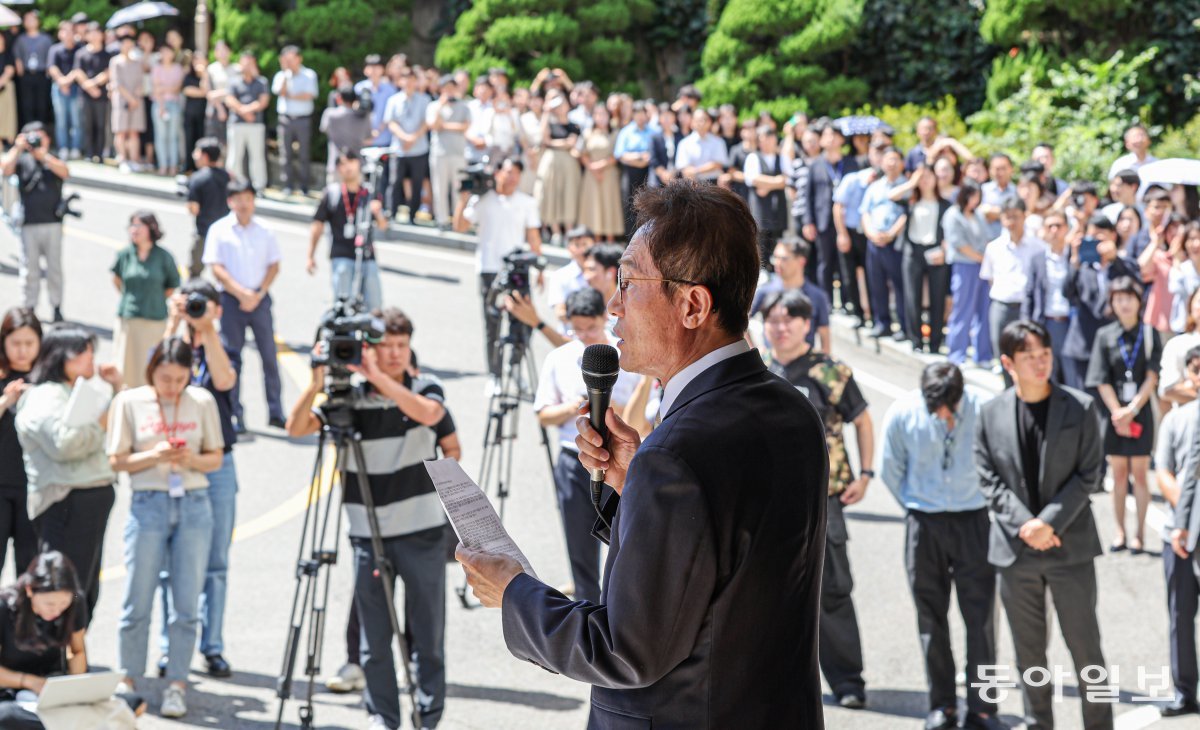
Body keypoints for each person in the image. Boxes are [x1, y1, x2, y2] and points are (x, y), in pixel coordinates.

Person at [456, 180, 829, 727]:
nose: (612, 304)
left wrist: (513, 592)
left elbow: (626, 650)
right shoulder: (791, 409)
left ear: (694, 304)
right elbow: (725, 569)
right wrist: (635, 484)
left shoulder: (678, 452)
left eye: (628, 283)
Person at [286, 308, 450, 730]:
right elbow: (297, 427)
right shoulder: (351, 398)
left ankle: (428, 718)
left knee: (427, 636)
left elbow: (430, 416)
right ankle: (383, 717)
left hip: (423, 534)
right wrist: (317, 383)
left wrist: (378, 378)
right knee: (374, 641)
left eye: (401, 345)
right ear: (368, 350)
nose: (394, 354)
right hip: (367, 536)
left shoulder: (425, 387)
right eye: (385, 347)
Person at [976, 320, 1112, 730]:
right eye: (1029, 357)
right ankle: (1039, 723)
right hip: (1016, 552)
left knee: (1088, 650)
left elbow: (1090, 474)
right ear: (1008, 362)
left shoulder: (1081, 406)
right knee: (1029, 654)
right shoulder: (990, 412)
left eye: (1045, 355)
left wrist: (1047, 523)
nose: (1040, 364)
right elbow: (988, 478)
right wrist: (1027, 525)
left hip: (1070, 546)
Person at [763, 288, 871, 709]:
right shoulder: (760, 371)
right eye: (773, 320)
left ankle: (848, 682)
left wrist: (865, 473)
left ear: (807, 324)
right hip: (770, 505)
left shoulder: (831, 372)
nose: (780, 327)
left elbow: (862, 419)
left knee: (833, 592)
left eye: (789, 320)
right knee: (771, 595)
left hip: (823, 500)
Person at [881, 363, 1002, 730]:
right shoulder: (904, 412)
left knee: (980, 619)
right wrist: (917, 508)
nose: (945, 416)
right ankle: (943, 706)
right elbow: (891, 469)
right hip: (924, 523)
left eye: (951, 407)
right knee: (930, 618)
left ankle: (983, 709)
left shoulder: (985, 409)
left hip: (974, 520)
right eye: (937, 409)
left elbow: (1002, 463)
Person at [108, 338, 223, 719]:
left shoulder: (202, 401)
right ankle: (129, 680)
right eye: (165, 378)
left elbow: (216, 458)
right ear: (151, 370)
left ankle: (177, 682)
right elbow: (117, 460)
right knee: (136, 597)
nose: (172, 387)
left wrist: (191, 458)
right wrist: (152, 456)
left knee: (186, 602)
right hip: (149, 502)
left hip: (193, 502)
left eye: (179, 379)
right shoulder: (130, 401)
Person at [534, 288, 637, 602]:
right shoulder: (559, 358)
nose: (584, 336)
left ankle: (620, 605)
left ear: (604, 318)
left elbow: (645, 410)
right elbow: (542, 414)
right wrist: (573, 408)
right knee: (578, 541)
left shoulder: (626, 355)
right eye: (576, 330)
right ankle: (586, 607)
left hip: (618, 458)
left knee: (625, 540)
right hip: (572, 458)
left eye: (590, 328)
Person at [14, 327, 122, 626]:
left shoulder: (74, 392)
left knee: (83, 588)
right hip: (67, 501)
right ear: (65, 356)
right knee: (60, 589)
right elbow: (64, 445)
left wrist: (116, 390)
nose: (91, 360)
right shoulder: (44, 397)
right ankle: (55, 659)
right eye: (86, 352)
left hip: (88, 499)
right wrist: (101, 422)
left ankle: (71, 655)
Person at [159, 280, 238, 679]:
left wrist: (206, 330)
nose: (194, 309)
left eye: (201, 305)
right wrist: (175, 321)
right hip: (173, 462)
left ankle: (213, 645)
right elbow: (159, 377)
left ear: (217, 309)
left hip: (218, 464)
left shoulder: (222, 344)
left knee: (215, 562)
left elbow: (223, 381)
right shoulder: (175, 343)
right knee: (169, 561)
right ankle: (167, 646)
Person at [0, 552, 128, 730]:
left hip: (54, 687)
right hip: (11, 689)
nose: (57, 611)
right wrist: (29, 682)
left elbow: (77, 651)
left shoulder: (76, 601)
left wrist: (77, 690)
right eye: (50, 604)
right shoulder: (4, 606)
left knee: (132, 703)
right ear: (30, 590)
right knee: (6, 717)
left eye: (63, 604)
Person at [202, 179, 285, 431]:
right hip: (230, 301)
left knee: (269, 357)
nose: (244, 204)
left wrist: (258, 293)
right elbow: (216, 268)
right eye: (239, 199)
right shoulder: (220, 229)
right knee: (232, 360)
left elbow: (274, 265)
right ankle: (235, 414)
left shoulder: (265, 230)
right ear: (230, 201)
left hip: (259, 301)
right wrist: (241, 293)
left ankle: (276, 411)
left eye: (248, 198)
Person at [1085, 277, 1160, 555]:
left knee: (1140, 475)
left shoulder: (1150, 333)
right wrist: (1118, 411)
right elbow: (1101, 378)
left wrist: (1132, 410)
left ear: (1139, 301)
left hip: (1139, 413)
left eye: (1129, 297)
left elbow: (1152, 376)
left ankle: (1139, 533)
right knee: (1118, 476)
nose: (1124, 303)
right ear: (1112, 302)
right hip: (1114, 414)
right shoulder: (1104, 335)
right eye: (1118, 298)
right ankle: (1119, 531)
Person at [453, 158, 543, 381]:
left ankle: (513, 367)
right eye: (508, 171)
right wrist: (463, 201)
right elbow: (460, 226)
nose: (511, 177)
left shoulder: (527, 202)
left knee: (524, 321)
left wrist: (539, 267)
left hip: (517, 269)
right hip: (489, 268)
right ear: (497, 173)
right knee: (492, 324)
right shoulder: (483, 200)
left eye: (516, 173)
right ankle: (495, 374)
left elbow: (533, 237)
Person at [1154, 346, 1200, 718]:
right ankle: (1184, 690)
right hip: (1180, 531)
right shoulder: (1176, 418)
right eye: (1196, 369)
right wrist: (1184, 522)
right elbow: (1165, 471)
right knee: (1180, 615)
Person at [1062, 214, 1139, 390]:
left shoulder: (1123, 264)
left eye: (1101, 238)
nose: (1096, 243)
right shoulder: (1081, 267)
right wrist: (1075, 261)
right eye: (1092, 238)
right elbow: (1067, 293)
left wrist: (1114, 259)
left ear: (1113, 236)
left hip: (1114, 344)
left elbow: (1136, 287)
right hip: (1083, 343)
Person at [2, 123, 68, 323]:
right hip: (28, 222)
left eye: (40, 137)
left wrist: (44, 156)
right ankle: (29, 306)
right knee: (29, 268)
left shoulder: (53, 157)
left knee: (54, 268)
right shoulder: (22, 160)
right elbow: (5, 169)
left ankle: (56, 306)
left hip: (52, 222)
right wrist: (18, 147)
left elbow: (66, 172)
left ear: (47, 139)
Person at [307, 150, 388, 310]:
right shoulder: (332, 193)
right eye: (342, 164)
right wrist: (310, 256)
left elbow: (383, 226)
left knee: (375, 304)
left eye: (351, 161)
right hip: (341, 254)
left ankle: (371, 333)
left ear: (359, 164)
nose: (348, 167)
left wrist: (377, 212)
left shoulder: (369, 192)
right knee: (343, 305)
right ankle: (345, 333)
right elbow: (317, 225)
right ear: (338, 169)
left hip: (367, 255)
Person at [110, 211, 179, 388]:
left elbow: (171, 286)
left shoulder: (164, 257)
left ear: (151, 228)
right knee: (125, 366)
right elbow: (117, 280)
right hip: (129, 319)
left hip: (154, 320)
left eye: (138, 225)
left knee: (150, 365)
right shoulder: (125, 254)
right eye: (132, 225)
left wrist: (152, 297)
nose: (134, 230)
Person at [980, 199, 1046, 385]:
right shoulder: (994, 247)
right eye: (1007, 217)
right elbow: (989, 277)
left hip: (1026, 308)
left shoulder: (1038, 247)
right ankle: (1009, 390)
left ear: (1025, 216)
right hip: (1001, 305)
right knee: (1002, 351)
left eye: (1016, 217)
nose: (1011, 222)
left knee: (1028, 352)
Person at [795, 120, 859, 303]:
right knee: (825, 263)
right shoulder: (816, 165)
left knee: (846, 263)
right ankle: (826, 301)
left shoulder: (850, 163)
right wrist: (808, 221)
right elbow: (808, 196)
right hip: (823, 220)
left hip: (846, 220)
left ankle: (849, 302)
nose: (830, 139)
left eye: (834, 135)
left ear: (841, 140)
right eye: (826, 135)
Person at [0, 309, 39, 577]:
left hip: (34, 486)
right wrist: (5, 401)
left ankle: (23, 621)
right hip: (1, 485)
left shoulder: (47, 379)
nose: (22, 351)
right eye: (16, 343)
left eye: (29, 343)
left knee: (30, 567)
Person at [860, 145, 909, 339]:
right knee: (876, 283)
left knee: (899, 286)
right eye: (887, 159)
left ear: (902, 163)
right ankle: (882, 323)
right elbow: (865, 212)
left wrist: (891, 234)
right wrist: (872, 233)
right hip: (874, 240)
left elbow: (907, 214)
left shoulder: (906, 186)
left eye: (895, 159)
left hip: (895, 243)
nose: (891, 163)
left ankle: (904, 326)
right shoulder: (875, 186)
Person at [901, 164, 951, 353]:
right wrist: (911, 183)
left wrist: (944, 252)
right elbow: (892, 196)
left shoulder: (944, 204)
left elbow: (949, 232)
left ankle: (935, 343)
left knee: (937, 298)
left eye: (929, 176)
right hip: (913, 251)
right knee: (912, 296)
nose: (925, 180)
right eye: (922, 177)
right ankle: (916, 341)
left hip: (936, 252)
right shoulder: (911, 201)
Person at [751, 237, 832, 352]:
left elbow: (825, 336)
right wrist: (753, 352)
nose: (777, 263)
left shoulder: (817, 296)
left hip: (804, 365)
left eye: (784, 259)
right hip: (770, 366)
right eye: (776, 258)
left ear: (801, 261)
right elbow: (741, 324)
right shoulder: (764, 291)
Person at [944, 180, 993, 366]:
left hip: (981, 266)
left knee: (984, 310)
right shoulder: (953, 215)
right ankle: (957, 354)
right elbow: (959, 244)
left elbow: (987, 238)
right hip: (964, 266)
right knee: (962, 310)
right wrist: (982, 258)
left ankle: (983, 355)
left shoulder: (978, 215)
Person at [1022, 210, 1073, 382]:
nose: (1054, 230)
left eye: (1058, 225)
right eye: (1049, 226)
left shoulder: (1075, 256)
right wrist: (1027, 326)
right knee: (1049, 375)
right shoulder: (1038, 259)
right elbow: (1029, 295)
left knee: (1073, 375)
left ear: (1066, 228)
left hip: (1071, 323)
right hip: (1046, 323)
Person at [534, 90, 580, 245]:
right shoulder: (549, 123)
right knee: (551, 194)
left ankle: (568, 231)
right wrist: (546, 112)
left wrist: (553, 143)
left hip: (568, 163)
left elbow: (571, 142)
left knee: (568, 194)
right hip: (552, 162)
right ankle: (555, 231)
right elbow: (543, 138)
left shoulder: (574, 125)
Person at [384, 69, 430, 223]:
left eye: (412, 79)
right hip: (399, 149)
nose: (409, 82)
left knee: (417, 183)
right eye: (405, 79)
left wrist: (413, 138)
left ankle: (413, 215)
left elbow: (426, 123)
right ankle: (392, 212)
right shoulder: (394, 100)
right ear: (400, 81)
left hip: (419, 148)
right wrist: (404, 138)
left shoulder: (425, 100)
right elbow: (391, 122)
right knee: (395, 182)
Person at [425, 75, 470, 229]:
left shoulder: (464, 106)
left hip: (458, 152)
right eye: (446, 88)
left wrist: (445, 126)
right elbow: (434, 126)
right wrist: (440, 107)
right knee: (439, 188)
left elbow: (465, 127)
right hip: (439, 152)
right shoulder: (433, 106)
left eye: (452, 87)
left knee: (458, 189)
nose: (449, 91)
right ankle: (442, 220)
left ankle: (458, 220)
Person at [271, 45, 317, 196]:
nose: (290, 62)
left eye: (292, 59)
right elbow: (280, 92)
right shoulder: (281, 75)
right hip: (285, 119)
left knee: (304, 154)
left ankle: (304, 185)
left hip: (303, 118)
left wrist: (290, 96)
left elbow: (309, 95)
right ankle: (288, 185)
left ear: (299, 58)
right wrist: (285, 73)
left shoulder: (309, 74)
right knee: (286, 154)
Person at [185, 137, 231, 278]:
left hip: (204, 232)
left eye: (197, 152)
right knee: (227, 272)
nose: (194, 156)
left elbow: (194, 208)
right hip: (227, 232)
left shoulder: (197, 178)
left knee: (195, 273)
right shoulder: (229, 177)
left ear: (205, 156)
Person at [744, 126, 789, 270]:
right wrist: (777, 182)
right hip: (760, 211)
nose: (767, 142)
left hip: (778, 210)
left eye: (770, 138)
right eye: (763, 139)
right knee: (761, 246)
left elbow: (787, 180)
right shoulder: (753, 157)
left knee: (778, 244)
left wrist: (767, 185)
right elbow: (753, 179)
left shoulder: (782, 157)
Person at [577, 106, 623, 241]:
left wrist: (600, 165)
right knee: (594, 205)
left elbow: (617, 155)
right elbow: (583, 154)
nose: (600, 117)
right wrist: (592, 168)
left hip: (609, 174)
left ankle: (610, 241)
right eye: (597, 114)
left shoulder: (615, 133)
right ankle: (595, 240)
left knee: (609, 204)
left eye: (603, 114)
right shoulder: (587, 133)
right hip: (591, 176)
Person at [224, 52, 269, 191]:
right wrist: (243, 111)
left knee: (257, 157)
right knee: (234, 156)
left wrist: (248, 110)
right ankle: (233, 183)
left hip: (255, 124)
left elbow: (263, 101)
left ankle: (259, 186)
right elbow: (229, 99)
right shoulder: (234, 81)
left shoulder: (261, 82)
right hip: (237, 123)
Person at [613, 101, 654, 235]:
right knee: (629, 205)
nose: (640, 117)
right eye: (637, 114)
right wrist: (638, 158)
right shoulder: (626, 131)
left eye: (642, 114)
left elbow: (654, 153)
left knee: (647, 205)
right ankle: (629, 239)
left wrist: (642, 160)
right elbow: (619, 154)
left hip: (648, 172)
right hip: (630, 172)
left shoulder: (652, 131)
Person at [545, 226, 594, 329]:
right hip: (570, 336)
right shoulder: (559, 276)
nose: (582, 250)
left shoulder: (603, 272)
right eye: (576, 245)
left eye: (585, 244)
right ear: (569, 248)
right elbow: (560, 313)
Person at [73, 23, 109, 162]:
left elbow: (108, 72)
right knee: (86, 124)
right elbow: (78, 72)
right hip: (85, 95)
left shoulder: (107, 54)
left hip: (101, 95)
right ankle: (88, 153)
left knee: (100, 125)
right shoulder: (81, 53)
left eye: (97, 32)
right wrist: (89, 86)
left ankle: (99, 154)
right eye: (91, 33)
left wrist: (93, 84)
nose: (94, 36)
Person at [108, 31, 143, 173]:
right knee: (121, 131)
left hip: (136, 101)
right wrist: (130, 98)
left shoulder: (137, 62)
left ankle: (134, 159)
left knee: (134, 132)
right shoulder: (115, 61)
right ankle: (122, 158)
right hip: (121, 100)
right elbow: (117, 83)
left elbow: (141, 82)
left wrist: (135, 98)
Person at [46, 20, 80, 160]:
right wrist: (62, 82)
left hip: (76, 87)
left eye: (70, 30)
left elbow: (79, 68)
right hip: (58, 88)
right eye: (64, 30)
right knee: (61, 121)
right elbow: (52, 68)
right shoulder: (55, 49)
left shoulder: (79, 49)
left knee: (77, 120)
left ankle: (76, 147)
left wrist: (68, 81)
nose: (68, 34)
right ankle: (63, 147)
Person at [13, 11, 51, 129]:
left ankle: (41, 131)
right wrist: (20, 72)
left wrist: (48, 73)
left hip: (41, 74)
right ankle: (28, 131)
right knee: (26, 104)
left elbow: (50, 56)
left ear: (38, 21)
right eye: (27, 20)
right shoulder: (21, 39)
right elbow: (17, 56)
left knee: (41, 103)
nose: (29, 22)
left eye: (32, 19)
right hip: (26, 74)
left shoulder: (46, 39)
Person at [674, 106, 728, 184]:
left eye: (704, 120)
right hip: (692, 184)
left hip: (714, 184)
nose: (701, 123)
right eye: (698, 120)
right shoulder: (684, 143)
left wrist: (696, 170)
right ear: (692, 122)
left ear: (710, 122)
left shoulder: (718, 142)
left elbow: (718, 164)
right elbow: (684, 168)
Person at [181, 54, 209, 174]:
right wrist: (202, 92)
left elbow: (206, 90)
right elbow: (187, 91)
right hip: (190, 114)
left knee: (201, 140)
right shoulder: (188, 76)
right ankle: (189, 166)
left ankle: (201, 167)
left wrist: (204, 74)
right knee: (189, 140)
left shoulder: (207, 76)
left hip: (204, 115)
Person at [0, 34, 16, 146]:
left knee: (7, 115)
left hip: (6, 88)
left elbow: (10, 70)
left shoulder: (8, 55)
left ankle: (9, 141)